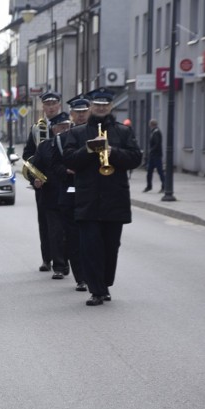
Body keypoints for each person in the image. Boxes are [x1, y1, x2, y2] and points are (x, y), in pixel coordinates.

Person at [63, 87, 142, 306]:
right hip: (87, 200)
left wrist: (112, 152)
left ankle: (104, 283)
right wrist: (89, 149)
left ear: (110, 107)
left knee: (110, 247)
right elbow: (69, 160)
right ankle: (96, 290)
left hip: (114, 199)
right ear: (90, 108)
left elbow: (135, 158)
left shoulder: (122, 132)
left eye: (104, 106)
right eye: (96, 106)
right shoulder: (77, 133)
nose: (100, 109)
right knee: (90, 248)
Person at [22, 91, 62, 272]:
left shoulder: (66, 124)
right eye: (47, 104)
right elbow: (28, 156)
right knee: (45, 224)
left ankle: (65, 259)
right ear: (43, 107)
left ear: (59, 105)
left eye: (54, 103)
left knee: (66, 224)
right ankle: (47, 258)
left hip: (64, 181)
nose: (51, 107)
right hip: (44, 184)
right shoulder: (37, 128)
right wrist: (35, 176)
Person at [55, 94, 92, 292]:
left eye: (84, 112)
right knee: (73, 238)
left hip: (92, 193)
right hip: (70, 191)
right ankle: (81, 278)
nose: (81, 116)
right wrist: (66, 170)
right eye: (77, 113)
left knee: (93, 238)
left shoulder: (98, 133)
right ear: (71, 115)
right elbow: (54, 166)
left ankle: (95, 275)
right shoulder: (61, 139)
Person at [30, 112, 72, 280]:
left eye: (67, 126)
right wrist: (36, 179)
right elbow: (34, 167)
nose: (64, 130)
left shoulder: (74, 143)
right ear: (53, 129)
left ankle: (70, 261)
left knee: (70, 233)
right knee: (55, 233)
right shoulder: (45, 146)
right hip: (51, 195)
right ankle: (59, 266)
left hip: (71, 194)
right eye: (61, 127)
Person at [144, 119, 165, 193]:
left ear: (152, 124)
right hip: (153, 155)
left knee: (160, 171)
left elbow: (157, 143)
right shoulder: (154, 132)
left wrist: (151, 150)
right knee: (149, 172)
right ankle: (149, 186)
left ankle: (164, 186)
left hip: (156, 155)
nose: (149, 125)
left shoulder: (156, 132)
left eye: (150, 124)